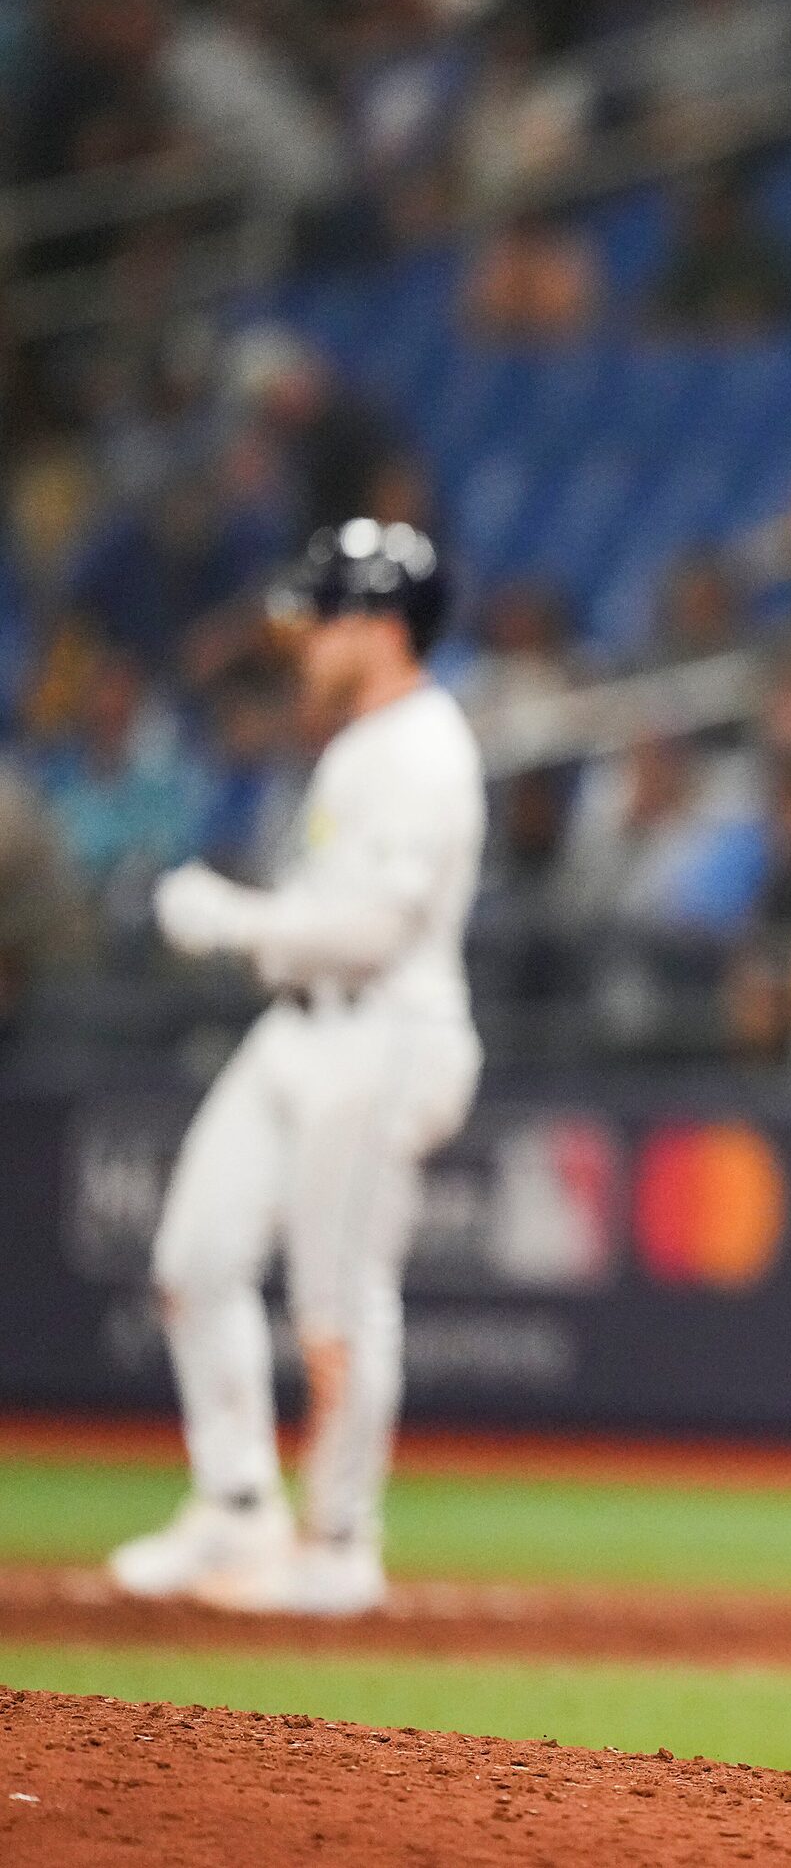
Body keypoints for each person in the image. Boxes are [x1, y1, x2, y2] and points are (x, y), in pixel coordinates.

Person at [108, 520, 486, 1617]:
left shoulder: (424, 745)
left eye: (325, 613)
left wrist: (230, 920)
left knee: (336, 1303)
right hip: (299, 1028)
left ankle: (338, 1545)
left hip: (384, 1031)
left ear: (379, 621)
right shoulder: (361, 738)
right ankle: (233, 1503)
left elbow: (373, 929)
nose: (307, 634)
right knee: (196, 1257)